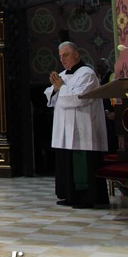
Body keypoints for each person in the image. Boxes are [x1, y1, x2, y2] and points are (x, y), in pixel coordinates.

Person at [44, 41, 108, 209]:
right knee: (67, 162)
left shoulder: (87, 73)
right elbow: (50, 97)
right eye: (60, 56)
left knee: (82, 163)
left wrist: (61, 88)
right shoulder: (62, 75)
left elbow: (79, 98)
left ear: (77, 54)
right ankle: (69, 195)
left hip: (83, 127)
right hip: (65, 130)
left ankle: (85, 197)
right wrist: (56, 89)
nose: (63, 59)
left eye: (66, 55)